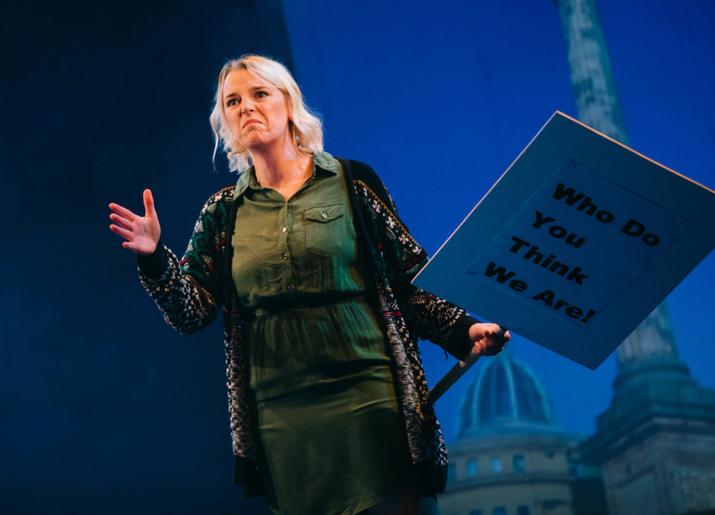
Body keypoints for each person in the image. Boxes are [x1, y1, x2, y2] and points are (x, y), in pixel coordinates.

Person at [108, 54, 510, 515]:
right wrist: (154, 256)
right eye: (233, 101)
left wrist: (463, 330)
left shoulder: (351, 182)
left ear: (289, 104)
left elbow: (408, 284)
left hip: (369, 396)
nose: (247, 108)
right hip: (283, 415)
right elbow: (191, 311)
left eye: (259, 94)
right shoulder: (223, 211)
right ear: (225, 122)